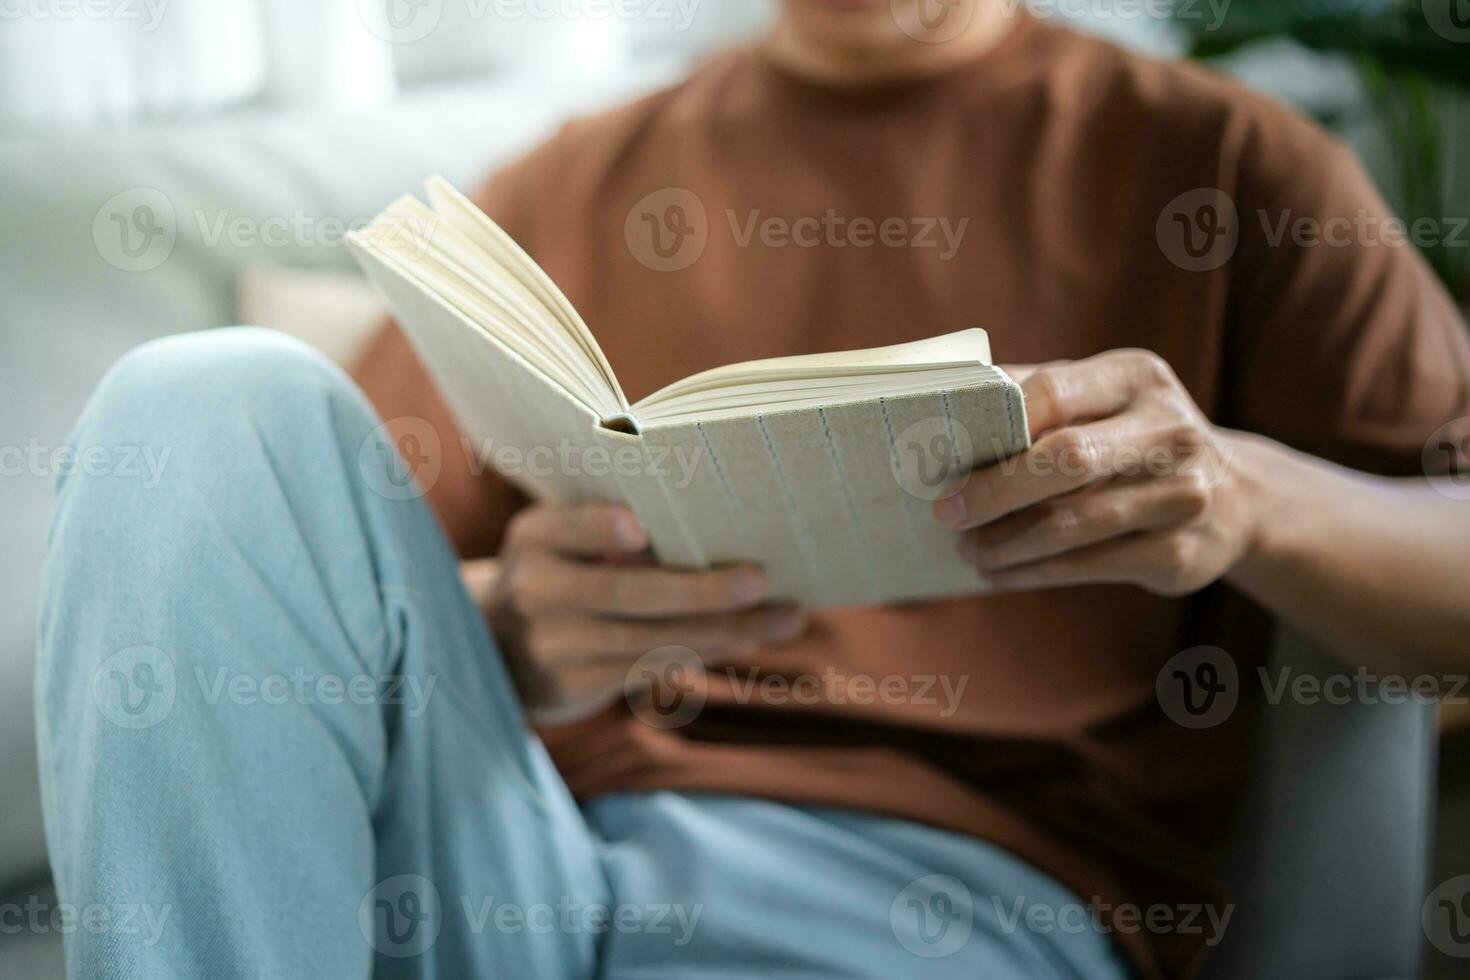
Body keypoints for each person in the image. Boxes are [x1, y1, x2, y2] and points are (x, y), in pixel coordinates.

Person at [37, 1, 1470, 978]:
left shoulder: (1220, 160)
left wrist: (1249, 498)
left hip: (932, 901)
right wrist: (514, 628)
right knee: (203, 396)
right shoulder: (567, 184)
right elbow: (318, 609)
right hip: (521, 867)